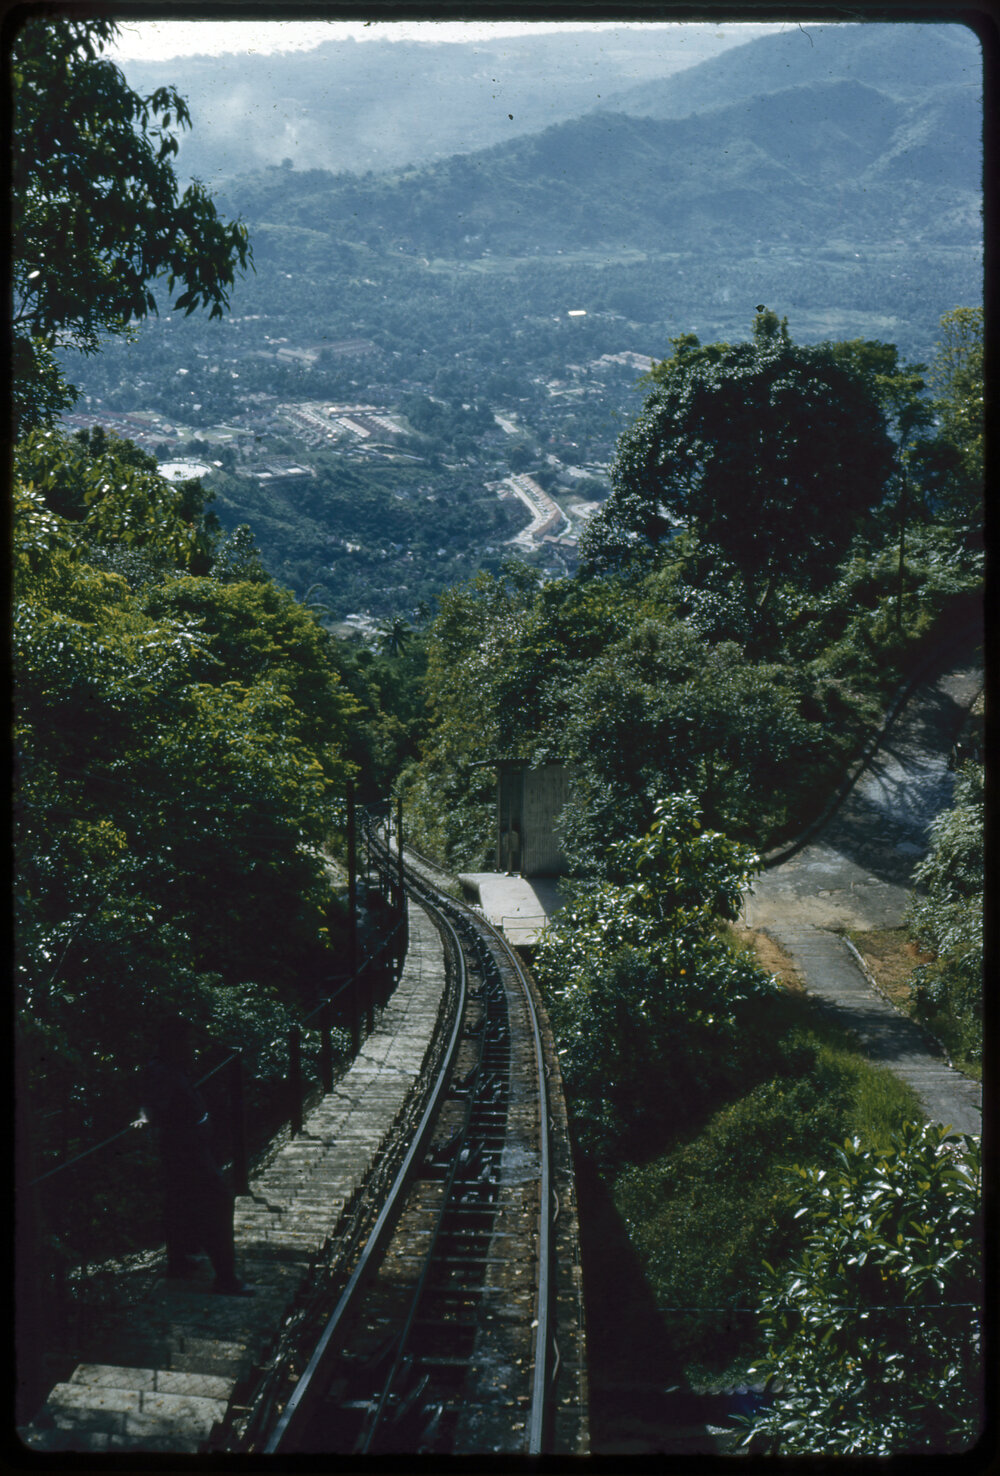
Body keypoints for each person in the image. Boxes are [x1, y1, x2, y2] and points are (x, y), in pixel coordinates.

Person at [141, 1015, 254, 1297]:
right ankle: (226, 1279)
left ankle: (178, 1263)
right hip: (187, 1152)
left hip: (186, 1149)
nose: (192, 1046)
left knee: (179, 1202)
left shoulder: (170, 1067)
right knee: (218, 1203)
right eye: (188, 1041)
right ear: (175, 1043)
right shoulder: (162, 1071)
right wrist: (148, 1121)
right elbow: (156, 1107)